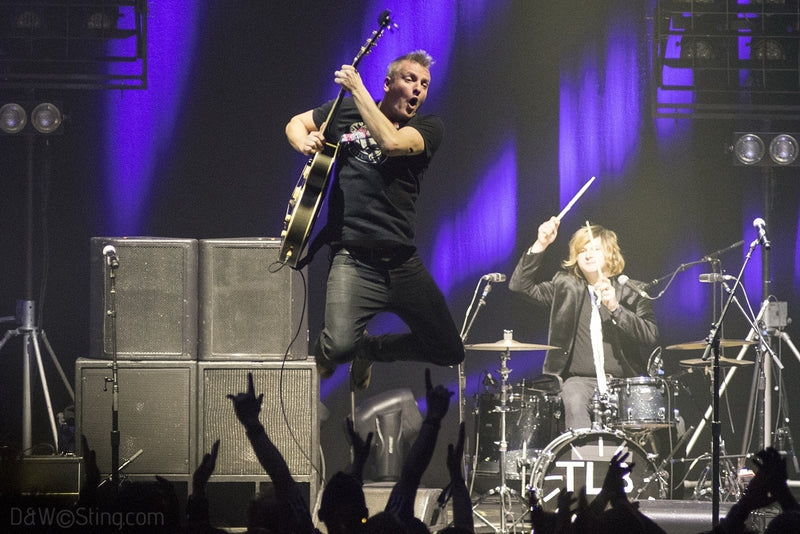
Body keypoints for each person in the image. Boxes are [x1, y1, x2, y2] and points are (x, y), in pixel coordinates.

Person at [285, 50, 464, 390]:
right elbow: (295, 123)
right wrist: (304, 141)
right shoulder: (346, 112)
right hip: (353, 259)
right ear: (388, 83)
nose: (417, 90)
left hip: (401, 263)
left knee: (448, 349)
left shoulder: (427, 127)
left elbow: (391, 142)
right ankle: (353, 347)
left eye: (424, 85)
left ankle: (369, 349)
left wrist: (358, 89)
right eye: (410, 79)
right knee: (336, 348)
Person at [508, 216, 659, 430]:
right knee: (574, 398)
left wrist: (616, 308)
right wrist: (541, 243)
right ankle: (584, 459)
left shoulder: (632, 291)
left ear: (610, 254)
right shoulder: (564, 285)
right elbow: (519, 286)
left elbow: (650, 335)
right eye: (582, 250)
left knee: (668, 421)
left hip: (624, 383)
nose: (588, 255)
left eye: (595, 249)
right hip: (580, 381)